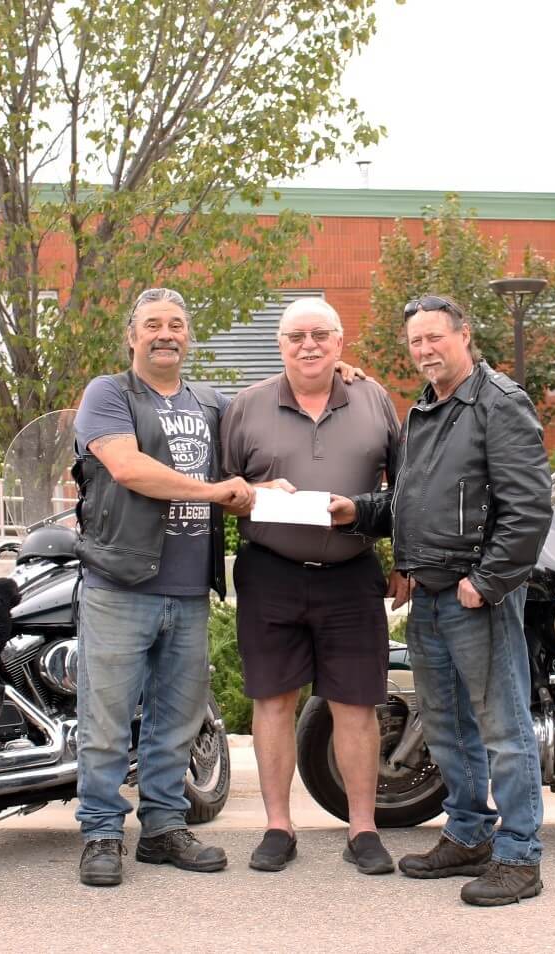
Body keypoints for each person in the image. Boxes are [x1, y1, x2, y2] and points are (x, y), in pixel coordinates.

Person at [330, 294, 553, 907]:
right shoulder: (424, 412)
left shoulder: (499, 405)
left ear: (464, 335)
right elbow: (411, 501)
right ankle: (468, 834)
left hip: (474, 596)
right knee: (449, 728)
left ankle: (519, 856)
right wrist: (359, 513)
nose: (425, 350)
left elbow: (529, 509)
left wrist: (487, 582)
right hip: (425, 592)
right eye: (416, 342)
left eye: (435, 338)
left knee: (502, 729)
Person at [70, 287, 253, 887]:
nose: (166, 333)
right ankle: (100, 833)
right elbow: (128, 467)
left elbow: (270, 412)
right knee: (107, 720)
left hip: (187, 589)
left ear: (188, 336)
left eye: (176, 323)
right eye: (153, 324)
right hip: (121, 582)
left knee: (177, 718)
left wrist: (341, 373)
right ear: (132, 336)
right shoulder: (109, 393)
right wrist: (211, 492)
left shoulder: (209, 401)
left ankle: (162, 828)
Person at [220, 297, 401, 876]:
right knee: (273, 702)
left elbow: (408, 487)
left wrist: (410, 560)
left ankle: (364, 829)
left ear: (341, 342)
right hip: (270, 572)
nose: (309, 345)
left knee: (355, 705)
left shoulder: (375, 399)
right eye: (296, 335)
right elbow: (219, 487)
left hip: (352, 575)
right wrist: (250, 490)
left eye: (321, 334)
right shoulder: (245, 407)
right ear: (280, 344)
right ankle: (278, 825)